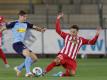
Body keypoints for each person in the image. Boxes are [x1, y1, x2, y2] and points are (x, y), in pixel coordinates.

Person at [0, 10, 46, 77]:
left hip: (21, 44)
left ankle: (19, 68)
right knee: (28, 55)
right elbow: (3, 28)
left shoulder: (26, 23)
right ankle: (28, 73)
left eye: (26, 17)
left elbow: (34, 27)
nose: (25, 18)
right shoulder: (14, 23)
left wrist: (41, 30)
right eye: (24, 17)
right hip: (16, 44)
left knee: (34, 59)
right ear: (20, 16)